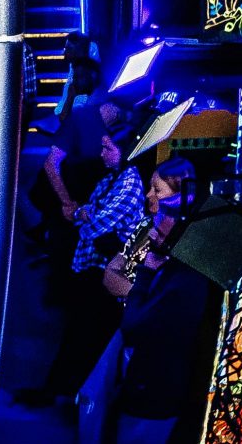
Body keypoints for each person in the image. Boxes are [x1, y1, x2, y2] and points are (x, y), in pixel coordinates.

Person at [76, 165, 218, 444]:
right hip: (152, 386)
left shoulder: (186, 275)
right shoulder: (179, 262)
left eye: (159, 193)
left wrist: (144, 277)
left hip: (155, 392)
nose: (151, 202)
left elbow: (137, 324)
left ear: (182, 203)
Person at [16, 115, 145, 407]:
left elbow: (92, 224)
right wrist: (84, 215)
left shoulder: (129, 181)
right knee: (79, 335)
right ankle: (60, 393)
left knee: (85, 338)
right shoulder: (112, 178)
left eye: (108, 148)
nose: (102, 153)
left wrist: (84, 216)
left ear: (125, 151)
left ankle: (61, 395)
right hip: (95, 270)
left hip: (106, 275)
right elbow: (85, 214)